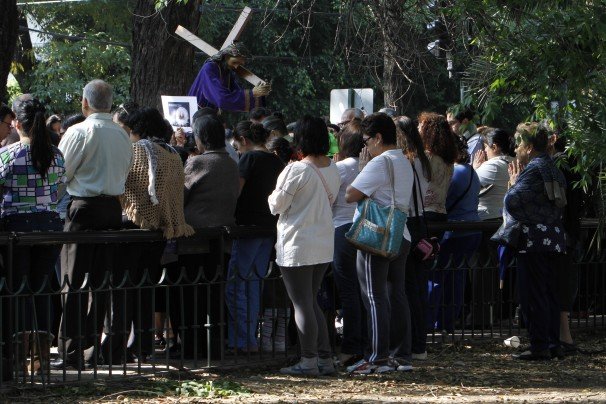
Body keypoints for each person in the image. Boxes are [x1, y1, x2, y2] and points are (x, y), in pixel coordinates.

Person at [51, 79, 133, 370]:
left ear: (85, 102)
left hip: (83, 208)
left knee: (73, 280)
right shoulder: (123, 135)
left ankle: (72, 350)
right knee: (100, 281)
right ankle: (91, 348)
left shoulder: (79, 131)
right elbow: (125, 170)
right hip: (112, 208)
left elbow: (61, 174)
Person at [108, 107, 194, 363]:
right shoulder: (172, 154)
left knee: (124, 288)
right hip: (159, 230)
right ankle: (143, 344)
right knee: (146, 288)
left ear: (136, 129)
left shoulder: (137, 150)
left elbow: (123, 184)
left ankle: (116, 346)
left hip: (133, 226)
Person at [268, 115, 340, 376]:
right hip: (323, 243)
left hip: (298, 243)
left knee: (302, 303)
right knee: (311, 301)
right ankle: (324, 358)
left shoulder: (296, 170)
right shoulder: (333, 168)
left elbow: (276, 205)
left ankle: (309, 360)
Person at [345, 113, 414, 374]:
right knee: (397, 295)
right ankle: (401, 355)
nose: (366, 147)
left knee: (374, 296)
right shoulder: (404, 160)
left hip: (377, 235)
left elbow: (351, 194)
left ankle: (377, 358)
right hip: (400, 234)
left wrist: (364, 169)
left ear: (377, 137)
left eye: (366, 141)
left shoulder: (380, 162)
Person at [0, 98, 65, 375]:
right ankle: (41, 362)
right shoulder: (56, 155)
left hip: (15, 229)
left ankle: (17, 361)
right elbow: (59, 189)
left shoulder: (8, 155)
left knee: (18, 291)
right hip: (50, 227)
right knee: (41, 289)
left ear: (17, 123)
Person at [170, 114, 239, 358]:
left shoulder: (197, 163)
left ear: (201, 137)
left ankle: (191, 348)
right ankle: (215, 346)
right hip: (222, 240)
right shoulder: (232, 163)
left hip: (193, 240)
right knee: (214, 295)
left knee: (190, 297)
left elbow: (180, 197)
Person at [504, 122, 567, 360]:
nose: (516, 148)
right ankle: (552, 343)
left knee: (533, 294)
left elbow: (512, 201)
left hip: (534, 241)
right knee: (550, 293)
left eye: (519, 143)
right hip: (555, 239)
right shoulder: (553, 167)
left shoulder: (533, 169)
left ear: (529, 147)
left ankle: (539, 346)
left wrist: (513, 184)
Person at [225, 121, 284, 353]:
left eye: (237, 146)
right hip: (268, 229)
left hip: (247, 228)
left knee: (236, 285)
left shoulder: (249, 159)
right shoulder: (276, 161)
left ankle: (242, 339)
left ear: (244, 140)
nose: (237, 150)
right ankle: (249, 337)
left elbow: (236, 191)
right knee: (254, 284)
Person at [427, 135, 482, 332]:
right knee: (456, 278)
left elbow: (441, 202)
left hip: (454, 233)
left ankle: (430, 322)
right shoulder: (470, 170)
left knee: (437, 277)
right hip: (471, 230)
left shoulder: (455, 172)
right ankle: (447, 323)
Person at [330, 120, 366, 367]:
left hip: (341, 229)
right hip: (363, 229)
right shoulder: (370, 167)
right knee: (364, 290)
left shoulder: (340, 168)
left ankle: (352, 346)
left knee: (348, 291)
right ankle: (365, 342)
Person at [395, 115, 431, 360]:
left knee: (407, 288)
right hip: (421, 223)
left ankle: (412, 345)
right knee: (417, 287)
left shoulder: (403, 162)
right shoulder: (423, 161)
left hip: (407, 222)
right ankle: (420, 343)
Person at [188, 42, 271, 112]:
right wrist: (252, 93)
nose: (236, 67)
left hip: (208, 116)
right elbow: (221, 98)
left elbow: (235, 93)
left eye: (240, 64)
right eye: (235, 62)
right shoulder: (209, 68)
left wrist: (260, 93)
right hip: (195, 114)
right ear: (226, 56)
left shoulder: (225, 71)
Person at [418, 112, 457, 223]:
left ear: (428, 131)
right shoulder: (448, 160)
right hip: (441, 213)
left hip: (425, 213)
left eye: (420, 127)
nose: (418, 130)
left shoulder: (426, 157)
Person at [472, 128, 516, 220]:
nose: (485, 151)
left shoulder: (493, 165)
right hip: (502, 215)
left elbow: (469, 184)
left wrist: (475, 168)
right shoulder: (514, 162)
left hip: (487, 217)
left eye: (486, 147)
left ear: (494, 147)